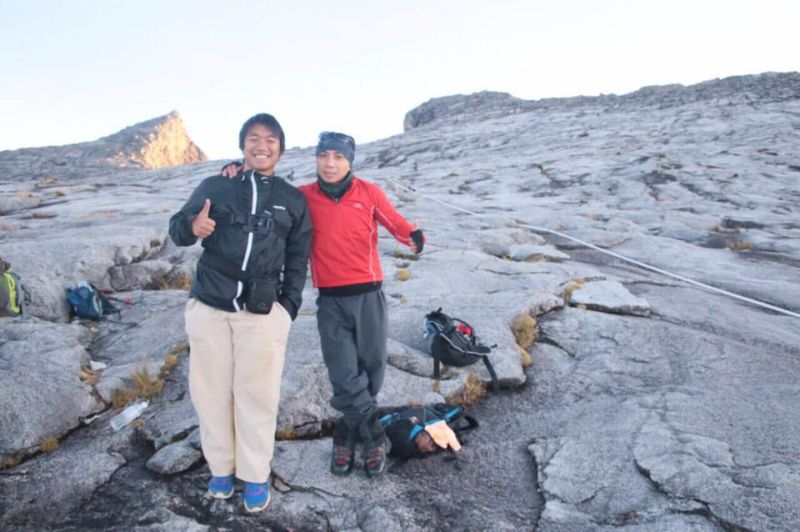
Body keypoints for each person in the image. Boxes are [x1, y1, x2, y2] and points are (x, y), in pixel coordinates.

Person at [222, 131, 424, 478]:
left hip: (369, 295)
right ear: (316, 159)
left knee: (372, 370)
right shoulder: (302, 197)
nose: (330, 164)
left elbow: (395, 221)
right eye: (324, 156)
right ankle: (373, 435)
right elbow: (268, 193)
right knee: (344, 372)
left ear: (350, 161)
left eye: (338, 157)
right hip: (331, 300)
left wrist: (414, 236)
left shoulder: (369, 193)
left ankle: (346, 431)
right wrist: (241, 171)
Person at [169, 113, 311, 513]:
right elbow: (177, 228)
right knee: (210, 393)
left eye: (270, 139)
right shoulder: (217, 185)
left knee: (257, 397)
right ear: (242, 144)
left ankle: (254, 475)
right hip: (209, 306)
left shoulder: (292, 198)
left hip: (264, 314)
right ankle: (220, 469)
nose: (261, 145)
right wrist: (192, 226)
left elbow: (299, 257)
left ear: (280, 149)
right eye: (253, 138)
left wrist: (289, 307)